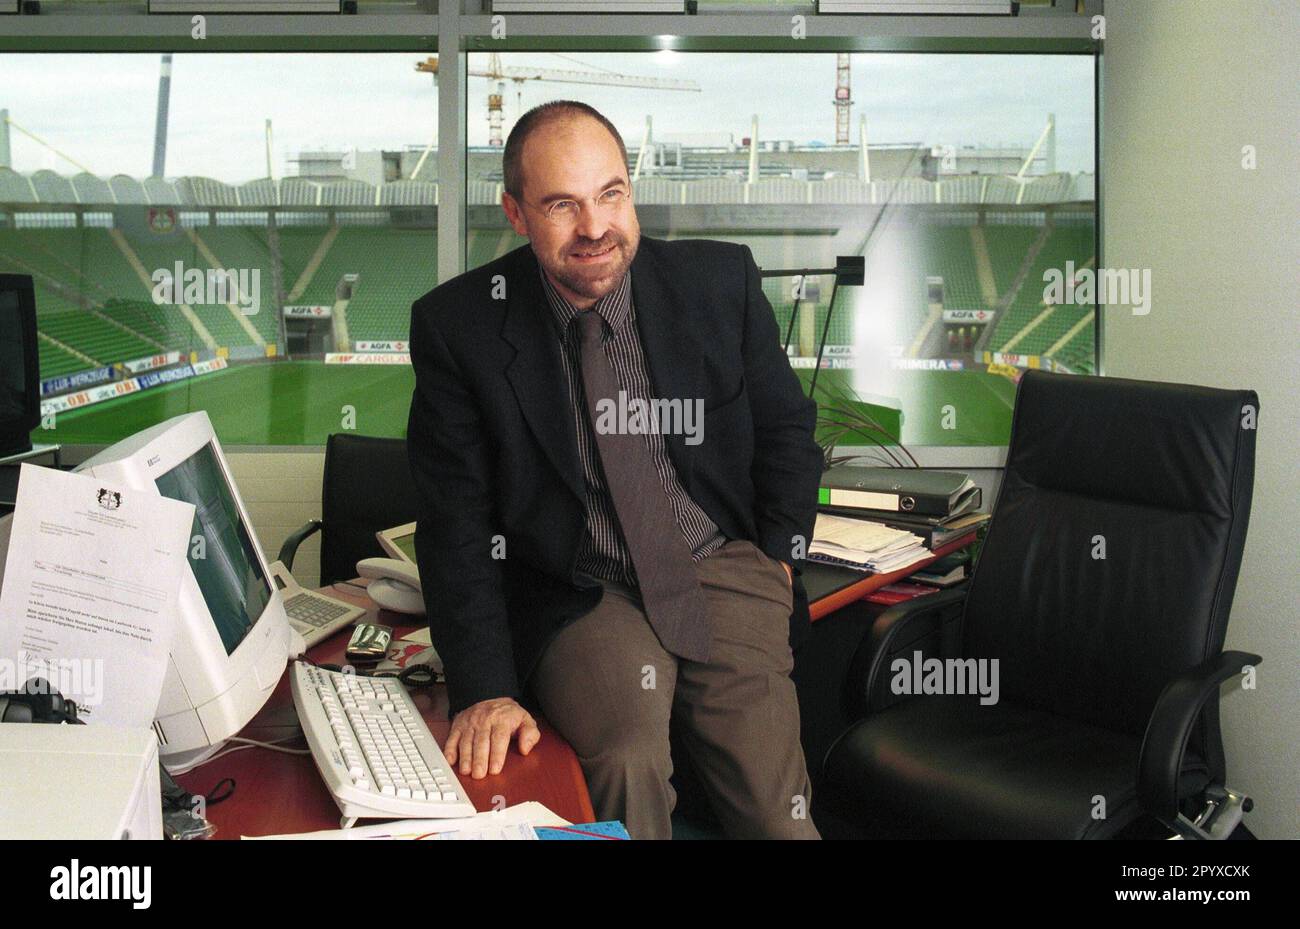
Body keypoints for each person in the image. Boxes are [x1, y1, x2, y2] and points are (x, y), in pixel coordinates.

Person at [407, 100, 823, 839]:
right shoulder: (459, 326)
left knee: (775, 811)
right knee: (627, 758)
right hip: (581, 585)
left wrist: (781, 556)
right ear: (515, 212)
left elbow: (787, 428)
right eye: (562, 204)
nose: (595, 227)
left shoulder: (718, 282)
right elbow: (455, 525)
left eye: (610, 194)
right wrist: (486, 688)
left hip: (719, 564)